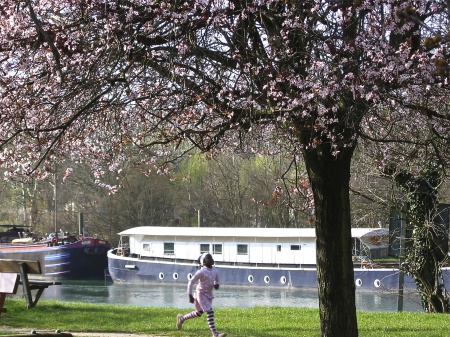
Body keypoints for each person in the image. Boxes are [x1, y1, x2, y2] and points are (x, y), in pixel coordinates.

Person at [176, 253, 227, 337]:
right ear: (203, 262)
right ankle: (215, 334)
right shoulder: (201, 272)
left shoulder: (215, 270)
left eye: (211, 257)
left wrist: (216, 285)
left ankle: (182, 318)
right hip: (201, 293)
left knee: (199, 312)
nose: (210, 259)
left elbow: (217, 280)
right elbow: (191, 282)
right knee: (210, 312)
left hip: (209, 294)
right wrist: (190, 295)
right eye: (208, 258)